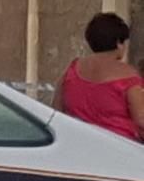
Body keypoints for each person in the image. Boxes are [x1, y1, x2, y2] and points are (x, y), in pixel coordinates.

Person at [54, 12, 144, 141]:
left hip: (78, 143)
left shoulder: (72, 70)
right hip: (119, 148)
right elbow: (141, 120)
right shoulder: (128, 76)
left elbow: (57, 109)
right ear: (119, 43)